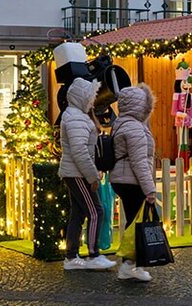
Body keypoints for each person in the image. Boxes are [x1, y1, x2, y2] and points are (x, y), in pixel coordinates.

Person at [58, 78, 117, 271]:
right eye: (90, 97)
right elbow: (80, 151)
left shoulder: (77, 115)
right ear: (82, 97)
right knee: (96, 211)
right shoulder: (76, 118)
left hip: (75, 172)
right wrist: (92, 177)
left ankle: (71, 256)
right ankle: (93, 255)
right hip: (78, 173)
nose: (93, 100)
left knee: (78, 213)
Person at [109, 84, 156, 282]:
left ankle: (131, 265)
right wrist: (150, 189)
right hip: (132, 180)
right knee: (137, 225)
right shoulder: (135, 128)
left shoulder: (120, 123)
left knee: (133, 222)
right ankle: (129, 266)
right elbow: (139, 162)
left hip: (122, 178)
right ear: (140, 105)